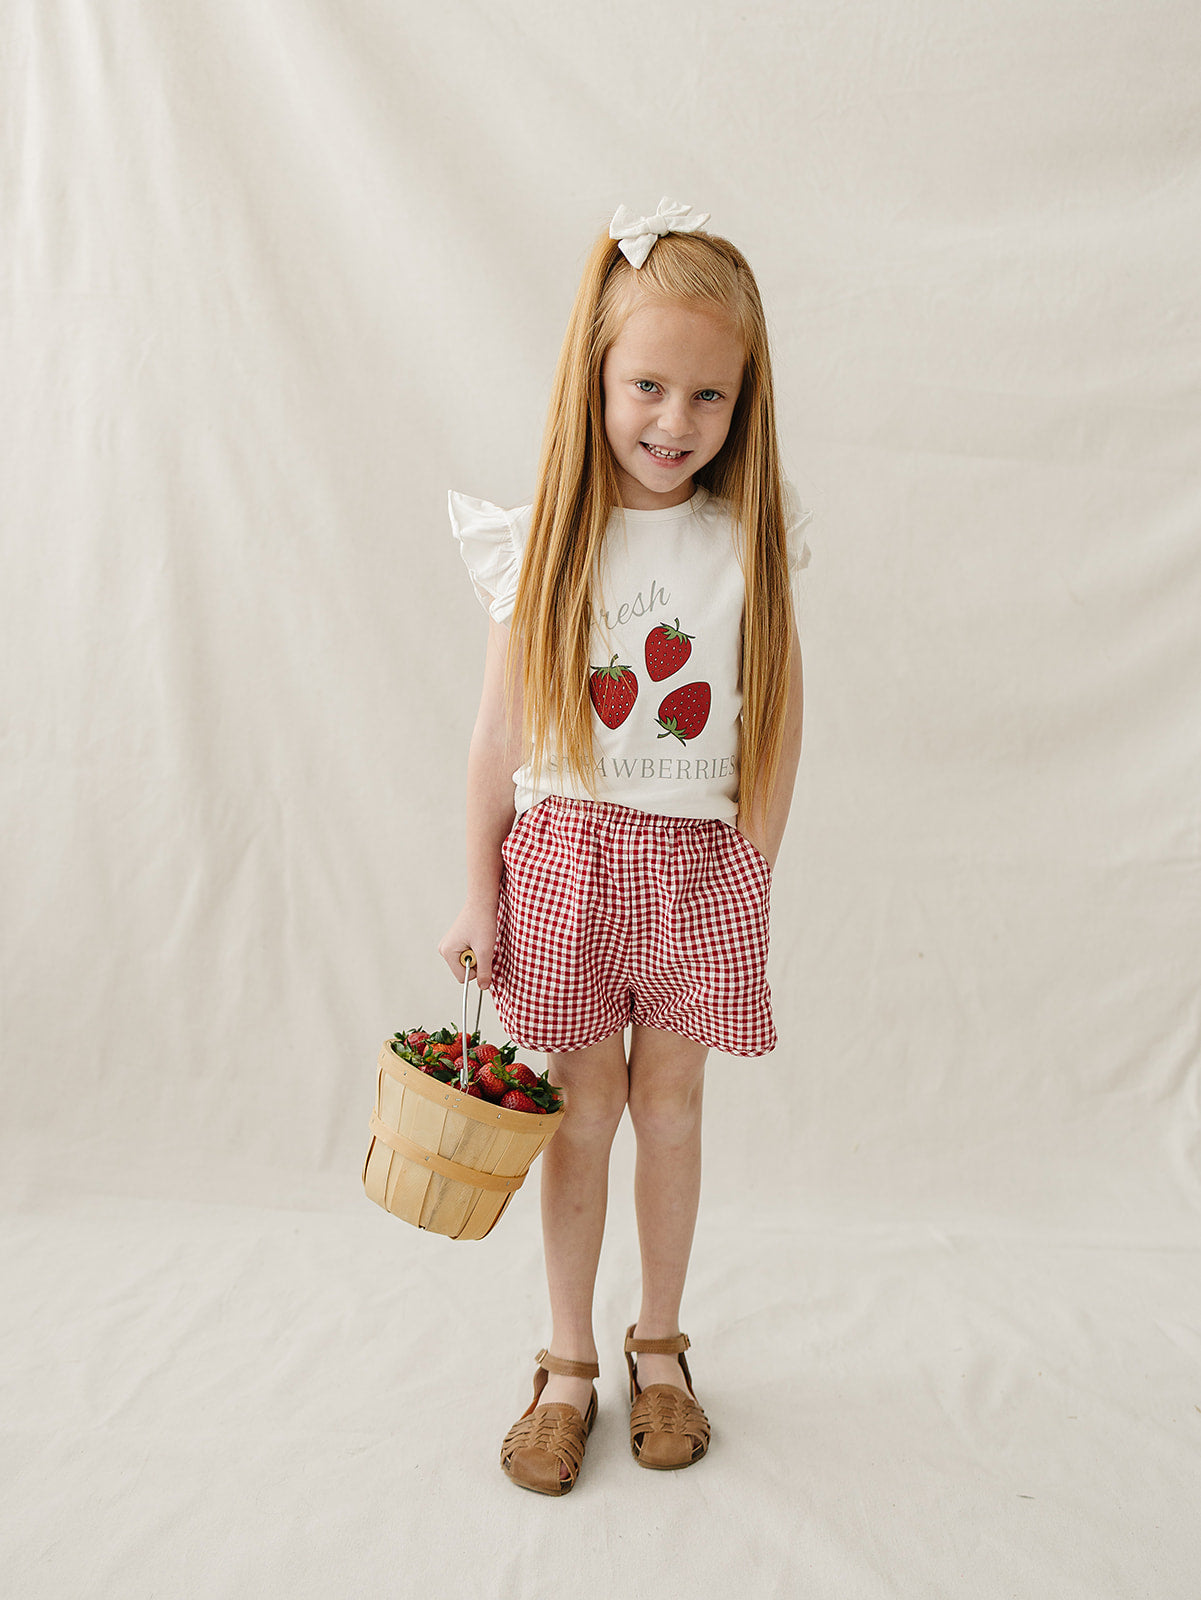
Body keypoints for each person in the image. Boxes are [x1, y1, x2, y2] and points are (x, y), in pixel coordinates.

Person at [437, 198, 812, 1496]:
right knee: (580, 1112)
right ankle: (566, 1363)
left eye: (709, 395)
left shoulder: (742, 543)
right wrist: (474, 892)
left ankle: (662, 1348)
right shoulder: (545, 535)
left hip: (694, 865)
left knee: (671, 1104)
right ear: (593, 377)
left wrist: (748, 873)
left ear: (742, 403)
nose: (674, 421)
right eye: (646, 384)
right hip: (566, 862)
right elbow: (496, 738)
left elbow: (775, 729)